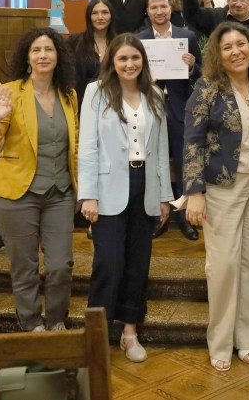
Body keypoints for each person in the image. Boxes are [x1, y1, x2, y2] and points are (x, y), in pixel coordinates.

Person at [182, 22, 249, 372]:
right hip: (222, 187)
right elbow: (191, 141)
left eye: (241, 44)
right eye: (227, 47)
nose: (236, 51)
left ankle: (247, 338)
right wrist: (194, 192)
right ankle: (220, 342)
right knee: (223, 267)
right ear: (217, 56)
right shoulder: (207, 88)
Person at [0, 27, 79, 332]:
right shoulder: (10, 91)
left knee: (61, 265)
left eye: (49, 49)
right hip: (16, 194)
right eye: (36, 50)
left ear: (58, 56)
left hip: (60, 192)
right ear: (27, 57)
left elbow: (74, 146)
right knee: (25, 267)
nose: (43, 55)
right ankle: (32, 324)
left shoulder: (69, 95)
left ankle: (57, 320)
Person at [77, 34, 172, 362]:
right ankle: (97, 335)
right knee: (109, 262)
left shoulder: (155, 95)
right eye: (123, 59)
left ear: (143, 60)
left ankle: (130, 332)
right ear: (112, 62)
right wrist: (88, 195)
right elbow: (87, 146)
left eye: (135, 58)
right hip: (107, 188)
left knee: (137, 263)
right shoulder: (95, 93)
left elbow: (161, 149)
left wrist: (164, 196)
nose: (130, 64)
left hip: (145, 186)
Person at [138, 0, 202, 241]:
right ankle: (157, 217)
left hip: (180, 109)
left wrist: (192, 66)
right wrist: (145, 78)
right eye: (154, 7)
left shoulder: (187, 36)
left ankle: (185, 218)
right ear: (147, 11)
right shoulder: (140, 39)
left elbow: (202, 73)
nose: (159, 11)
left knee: (184, 163)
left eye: (163, 6)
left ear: (170, 8)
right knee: (154, 163)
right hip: (150, 108)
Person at [70, 0, 117, 108]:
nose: (100, 17)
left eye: (105, 12)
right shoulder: (75, 41)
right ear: (89, 17)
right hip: (82, 102)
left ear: (111, 16)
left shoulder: (119, 43)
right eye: (95, 13)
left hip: (113, 103)